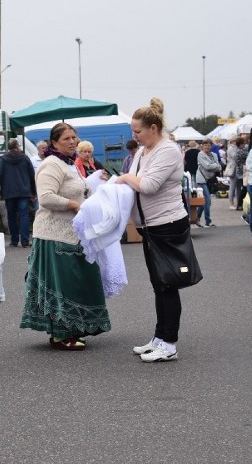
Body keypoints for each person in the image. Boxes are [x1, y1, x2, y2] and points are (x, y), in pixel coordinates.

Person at [20, 122, 110, 350]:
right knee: (64, 286)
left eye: (74, 138)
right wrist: (72, 204)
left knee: (77, 282)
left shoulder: (69, 164)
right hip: (54, 234)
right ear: (54, 143)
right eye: (66, 139)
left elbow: (79, 190)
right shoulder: (51, 165)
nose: (72, 142)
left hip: (74, 232)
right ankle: (62, 334)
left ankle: (72, 328)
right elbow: (46, 197)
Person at [115, 98, 187, 363]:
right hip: (150, 226)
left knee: (167, 284)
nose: (134, 136)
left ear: (153, 128)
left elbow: (148, 185)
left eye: (138, 131)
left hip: (166, 225)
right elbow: (137, 181)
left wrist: (123, 178)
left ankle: (169, 343)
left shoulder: (167, 150)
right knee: (158, 284)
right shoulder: (144, 151)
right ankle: (159, 337)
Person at [0, 138, 36, 247]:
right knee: (24, 216)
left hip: (9, 192)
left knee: (11, 216)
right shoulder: (25, 158)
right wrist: (33, 191)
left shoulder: (3, 159)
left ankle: (14, 240)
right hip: (24, 192)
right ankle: (25, 241)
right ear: (17, 147)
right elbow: (32, 176)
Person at [194, 139, 221, 228]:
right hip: (202, 180)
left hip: (210, 180)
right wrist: (214, 166)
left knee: (203, 201)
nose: (207, 147)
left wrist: (214, 166)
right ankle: (208, 221)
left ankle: (196, 218)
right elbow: (207, 166)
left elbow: (219, 167)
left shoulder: (214, 155)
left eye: (209, 145)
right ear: (202, 146)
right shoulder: (200, 154)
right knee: (208, 200)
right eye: (205, 145)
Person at [225, 136, 245, 209]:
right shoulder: (231, 148)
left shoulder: (237, 148)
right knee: (232, 187)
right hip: (233, 169)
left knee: (239, 187)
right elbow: (235, 157)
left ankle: (238, 203)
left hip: (239, 169)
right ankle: (231, 203)